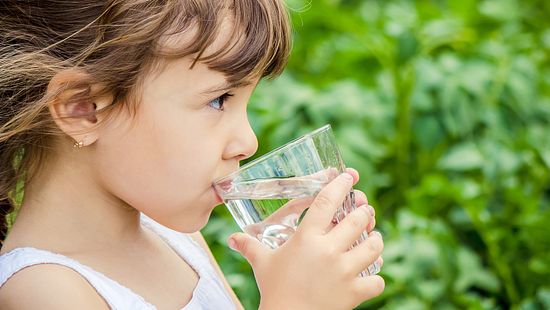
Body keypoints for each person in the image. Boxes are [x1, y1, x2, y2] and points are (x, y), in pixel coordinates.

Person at [0, 1, 385, 309]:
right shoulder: (43, 290)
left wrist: (294, 280)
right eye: (219, 100)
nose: (248, 142)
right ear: (84, 108)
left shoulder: (174, 239)